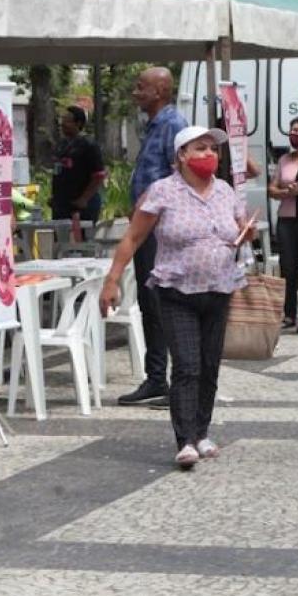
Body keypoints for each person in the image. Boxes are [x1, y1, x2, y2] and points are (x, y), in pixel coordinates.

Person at [100, 126, 254, 468]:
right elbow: (133, 238)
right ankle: (184, 440)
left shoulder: (226, 191)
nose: (209, 155)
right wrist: (112, 280)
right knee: (187, 364)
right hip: (176, 290)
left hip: (218, 289)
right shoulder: (163, 191)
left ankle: (202, 431)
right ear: (181, 155)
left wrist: (246, 235)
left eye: (212, 149)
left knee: (209, 365)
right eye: (200, 149)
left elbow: (238, 230)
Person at [119, 66, 188, 406]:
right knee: (149, 304)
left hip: (161, 231)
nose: (136, 92)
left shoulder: (174, 125)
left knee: (165, 304)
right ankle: (156, 377)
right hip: (146, 229)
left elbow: (182, 176)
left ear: (160, 91)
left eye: (141, 87)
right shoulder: (153, 125)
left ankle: (178, 381)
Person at [268, 116, 298, 329]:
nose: (292, 134)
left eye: (297, 130)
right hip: (286, 219)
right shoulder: (285, 160)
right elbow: (272, 188)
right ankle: (289, 314)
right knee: (288, 267)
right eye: (291, 130)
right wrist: (283, 192)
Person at [50, 105, 107, 229]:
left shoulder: (88, 145)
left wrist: (84, 199)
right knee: (60, 243)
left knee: (81, 242)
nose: (62, 124)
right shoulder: (61, 145)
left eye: (67, 120)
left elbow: (99, 176)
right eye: (62, 120)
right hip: (61, 205)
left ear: (78, 123)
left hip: (81, 205)